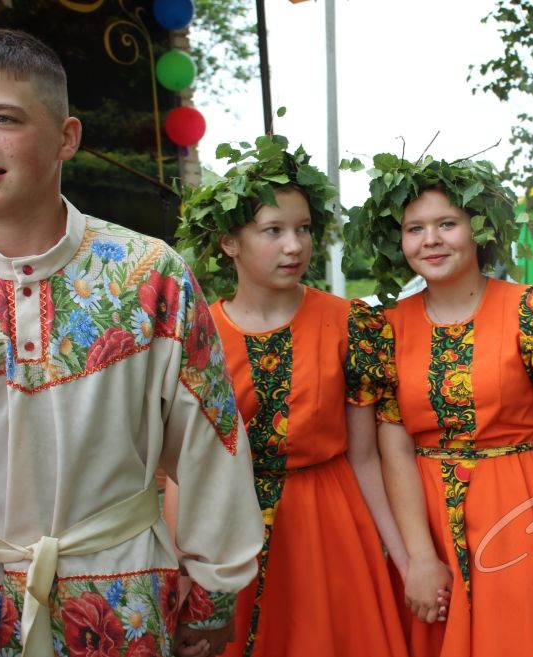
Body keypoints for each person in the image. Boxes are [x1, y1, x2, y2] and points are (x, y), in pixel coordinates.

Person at [0, 29, 263, 657]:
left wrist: (213, 594)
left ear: (66, 137)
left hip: (128, 614)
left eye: (4, 118)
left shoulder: (149, 277)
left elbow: (211, 442)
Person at [346, 155, 533, 657]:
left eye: (446, 224)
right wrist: (418, 558)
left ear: (477, 230)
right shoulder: (386, 329)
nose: (430, 240)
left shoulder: (532, 310)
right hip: (429, 519)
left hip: (521, 513)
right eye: (415, 228)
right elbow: (395, 452)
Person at [170, 135, 410, 657]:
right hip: (227, 531)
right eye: (273, 231)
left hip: (331, 526)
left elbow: (366, 457)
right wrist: (183, 576)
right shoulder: (197, 335)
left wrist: (406, 558)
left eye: (303, 229)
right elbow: (179, 473)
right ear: (229, 241)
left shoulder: (351, 324)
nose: (295, 246)